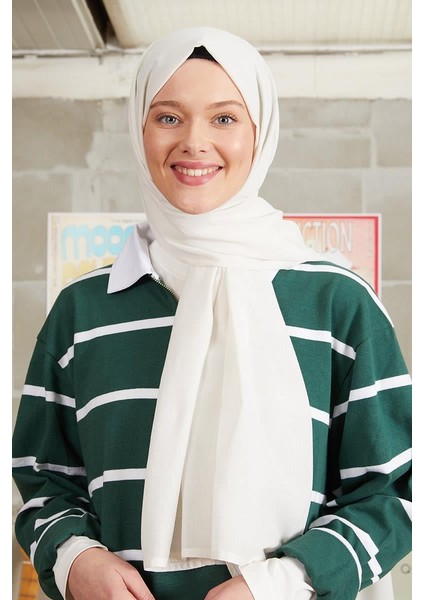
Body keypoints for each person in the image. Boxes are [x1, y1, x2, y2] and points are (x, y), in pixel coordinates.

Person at [12, 27, 411, 600]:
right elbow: (44, 480)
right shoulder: (82, 309)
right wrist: (75, 559)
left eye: (224, 118)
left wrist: (278, 583)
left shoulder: (336, 301)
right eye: (168, 117)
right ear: (139, 130)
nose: (194, 142)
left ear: (260, 132)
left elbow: (394, 492)